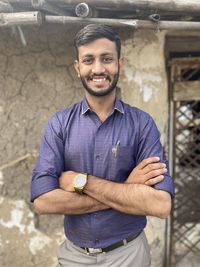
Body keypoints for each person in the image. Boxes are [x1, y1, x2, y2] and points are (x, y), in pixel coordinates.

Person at [31, 24, 174, 267]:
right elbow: (43, 201)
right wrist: (128, 188)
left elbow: (160, 205)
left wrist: (81, 182)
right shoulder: (59, 125)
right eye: (89, 60)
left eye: (106, 59)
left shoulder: (142, 124)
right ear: (78, 67)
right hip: (74, 256)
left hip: (129, 255)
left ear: (120, 63)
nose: (98, 69)